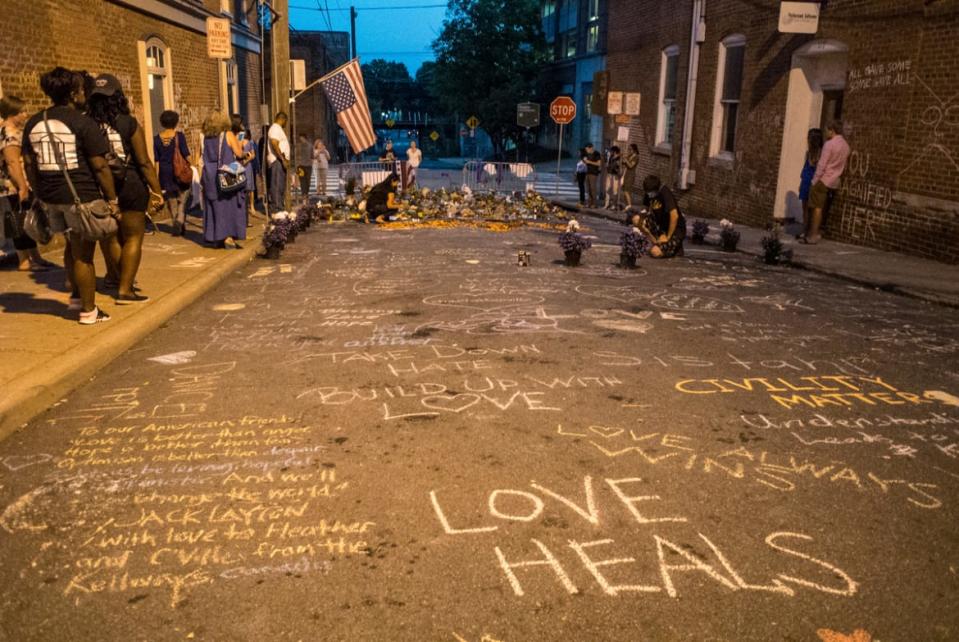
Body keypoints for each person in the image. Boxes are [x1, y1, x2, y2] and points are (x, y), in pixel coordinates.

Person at [21, 67, 119, 324]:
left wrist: (39, 191)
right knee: (84, 256)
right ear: (74, 93)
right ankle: (89, 311)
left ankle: (76, 296)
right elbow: (99, 165)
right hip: (80, 195)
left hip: (50, 197)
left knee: (70, 244)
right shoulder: (82, 122)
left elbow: (30, 163)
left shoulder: (34, 121)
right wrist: (111, 198)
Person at [87, 73, 164, 305]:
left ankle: (116, 276)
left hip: (98, 185)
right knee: (132, 238)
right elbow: (144, 162)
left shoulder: (85, 122)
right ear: (118, 96)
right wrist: (157, 191)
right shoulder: (128, 123)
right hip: (129, 183)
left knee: (110, 238)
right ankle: (125, 289)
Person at [1, 95, 56, 272]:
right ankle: (24, 261)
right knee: (19, 221)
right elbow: (12, 162)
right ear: (11, 114)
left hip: (16, 183)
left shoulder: (9, 131)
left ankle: (35, 257)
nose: (25, 114)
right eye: (22, 111)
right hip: (13, 184)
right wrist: (22, 186)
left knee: (28, 220)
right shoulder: (9, 134)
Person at [201, 110, 252, 249]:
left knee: (214, 206)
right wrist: (247, 154)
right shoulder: (227, 134)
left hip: (209, 175)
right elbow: (238, 153)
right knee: (228, 206)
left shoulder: (206, 137)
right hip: (225, 174)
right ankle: (228, 237)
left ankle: (215, 236)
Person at [803, 120, 850, 244]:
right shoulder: (846, 146)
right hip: (835, 181)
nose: (825, 132)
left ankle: (812, 235)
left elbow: (822, 164)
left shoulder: (829, 145)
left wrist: (814, 180)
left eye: (826, 130)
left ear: (832, 130)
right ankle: (818, 232)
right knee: (824, 208)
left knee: (816, 208)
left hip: (823, 180)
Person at [153, 110, 191, 236]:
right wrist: (192, 166)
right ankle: (180, 219)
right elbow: (186, 154)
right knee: (183, 197)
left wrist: (157, 178)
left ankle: (176, 223)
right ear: (175, 122)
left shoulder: (157, 139)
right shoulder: (179, 136)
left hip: (165, 172)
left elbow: (156, 160)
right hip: (179, 171)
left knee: (171, 199)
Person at [637, 175, 686, 259]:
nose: (649, 195)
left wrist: (667, 237)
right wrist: (641, 224)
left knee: (655, 252)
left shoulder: (665, 192)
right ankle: (657, 243)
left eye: (651, 192)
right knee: (636, 219)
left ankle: (675, 248)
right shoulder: (648, 194)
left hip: (675, 230)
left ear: (656, 189)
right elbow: (645, 209)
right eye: (647, 192)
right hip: (660, 227)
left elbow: (674, 216)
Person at [230, 114, 256, 226]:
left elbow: (239, 148)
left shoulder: (238, 135)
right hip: (234, 166)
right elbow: (239, 149)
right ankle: (240, 221)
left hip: (236, 164)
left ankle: (244, 220)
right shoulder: (237, 134)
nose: (242, 125)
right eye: (240, 123)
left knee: (242, 192)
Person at [797, 128, 823, 240]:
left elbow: (819, 169)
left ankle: (810, 231)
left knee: (812, 208)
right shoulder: (808, 153)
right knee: (805, 208)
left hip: (813, 182)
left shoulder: (821, 153)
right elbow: (805, 167)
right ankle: (804, 230)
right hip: (806, 180)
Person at [266, 112, 289, 213]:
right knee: (277, 185)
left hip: (279, 161)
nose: (286, 124)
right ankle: (277, 209)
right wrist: (282, 159)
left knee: (280, 185)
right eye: (286, 121)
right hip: (277, 161)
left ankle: (279, 207)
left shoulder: (278, 129)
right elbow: (274, 143)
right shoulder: (275, 128)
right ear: (282, 119)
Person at [582, 143, 601, 208]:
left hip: (593, 173)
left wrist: (589, 162)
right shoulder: (587, 154)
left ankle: (594, 204)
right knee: (588, 188)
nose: (586, 151)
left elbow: (598, 164)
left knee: (593, 189)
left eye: (587, 149)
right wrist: (584, 161)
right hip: (587, 172)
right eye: (586, 150)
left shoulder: (596, 153)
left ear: (591, 148)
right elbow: (585, 162)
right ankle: (589, 203)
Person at [621, 143, 639, 209]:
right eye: (629, 149)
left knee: (627, 190)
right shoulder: (629, 156)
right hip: (625, 174)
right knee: (625, 190)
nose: (629, 150)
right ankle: (626, 206)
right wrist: (622, 158)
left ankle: (629, 205)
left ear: (634, 150)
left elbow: (631, 166)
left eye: (630, 149)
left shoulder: (636, 157)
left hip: (630, 175)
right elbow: (623, 163)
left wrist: (626, 160)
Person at [603, 145, 622, 210]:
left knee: (615, 191)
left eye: (611, 151)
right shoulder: (610, 157)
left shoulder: (619, 158)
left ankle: (614, 205)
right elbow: (608, 165)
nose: (610, 152)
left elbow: (620, 167)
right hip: (609, 174)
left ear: (615, 151)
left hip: (615, 176)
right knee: (607, 189)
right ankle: (606, 204)